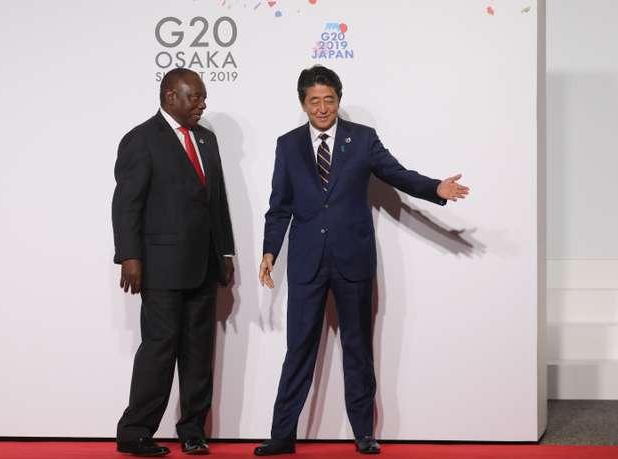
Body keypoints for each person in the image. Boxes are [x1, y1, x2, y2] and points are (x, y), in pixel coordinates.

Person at [254, 65, 469, 456]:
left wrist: (435, 188)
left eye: (329, 99)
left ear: (339, 99)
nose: (322, 108)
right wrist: (270, 251)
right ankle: (282, 435)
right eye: (314, 101)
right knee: (299, 350)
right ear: (303, 103)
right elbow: (279, 205)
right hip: (306, 263)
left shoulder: (363, 139)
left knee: (358, 349)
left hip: (353, 260)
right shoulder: (288, 145)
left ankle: (364, 433)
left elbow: (397, 174)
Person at [112, 68, 235, 457]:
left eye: (203, 97)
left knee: (199, 353)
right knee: (159, 350)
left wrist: (225, 251)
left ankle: (193, 430)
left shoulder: (207, 139)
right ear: (170, 96)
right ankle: (135, 432)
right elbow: (126, 205)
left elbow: (217, 200)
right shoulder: (141, 139)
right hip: (160, 267)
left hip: (204, 265)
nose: (202, 104)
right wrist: (129, 256)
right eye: (195, 97)